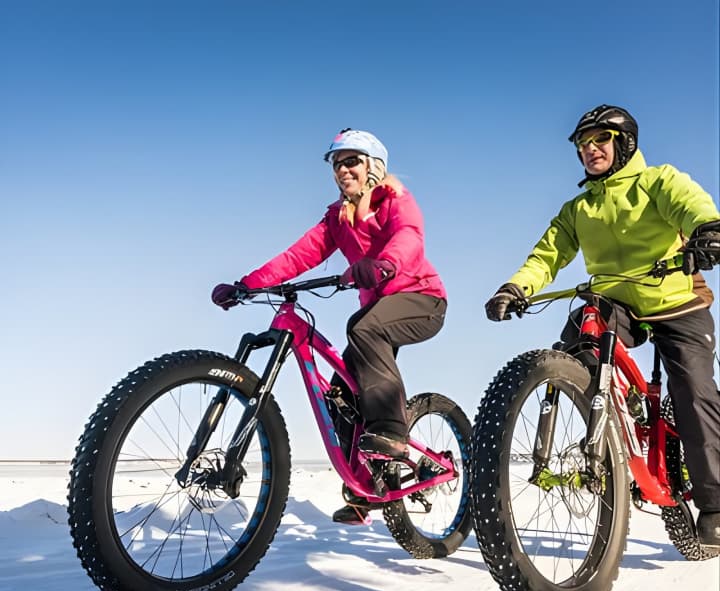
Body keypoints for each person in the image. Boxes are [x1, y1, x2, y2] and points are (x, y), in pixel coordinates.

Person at [484, 104, 720, 547]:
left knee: (693, 390)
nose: (590, 149)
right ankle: (615, 408)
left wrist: (707, 230)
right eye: (582, 143)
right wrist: (516, 287)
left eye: (601, 139)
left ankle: (715, 505)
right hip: (616, 304)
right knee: (580, 331)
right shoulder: (578, 209)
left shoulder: (658, 181)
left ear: (624, 143)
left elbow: (691, 205)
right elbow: (547, 255)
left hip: (676, 302)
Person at [212, 128, 448, 524]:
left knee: (363, 327)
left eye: (351, 161)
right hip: (377, 312)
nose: (342, 170)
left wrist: (386, 264)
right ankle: (367, 488)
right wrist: (246, 285)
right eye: (336, 164)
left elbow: (408, 237)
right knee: (339, 395)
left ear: (374, 167)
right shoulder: (339, 218)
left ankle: (391, 431)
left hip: (422, 300)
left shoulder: (395, 200)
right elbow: (298, 256)